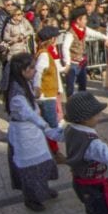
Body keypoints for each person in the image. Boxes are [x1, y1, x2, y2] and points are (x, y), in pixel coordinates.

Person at [5, 52, 61, 212]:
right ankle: (31, 199)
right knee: (30, 167)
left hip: (33, 132)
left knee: (42, 162)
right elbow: (29, 114)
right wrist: (48, 128)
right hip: (24, 134)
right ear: (22, 70)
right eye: (31, 68)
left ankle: (43, 189)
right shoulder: (16, 94)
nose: (34, 71)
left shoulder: (24, 83)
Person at [33, 26, 66, 161]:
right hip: (47, 95)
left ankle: (49, 149)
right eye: (55, 38)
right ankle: (54, 152)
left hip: (49, 93)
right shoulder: (44, 55)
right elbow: (38, 72)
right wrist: (37, 88)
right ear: (51, 39)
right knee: (51, 124)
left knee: (48, 123)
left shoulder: (44, 52)